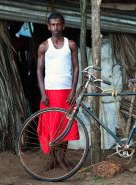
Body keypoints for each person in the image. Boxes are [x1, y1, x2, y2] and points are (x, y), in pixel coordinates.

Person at [36, 12, 79, 170]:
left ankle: (61, 159)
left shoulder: (71, 44)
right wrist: (42, 93)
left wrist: (73, 90)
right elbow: (39, 70)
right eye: (53, 24)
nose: (56, 27)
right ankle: (53, 159)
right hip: (49, 92)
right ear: (48, 27)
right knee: (51, 126)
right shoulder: (44, 46)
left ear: (63, 26)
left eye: (58, 24)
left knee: (65, 126)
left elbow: (76, 68)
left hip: (66, 92)